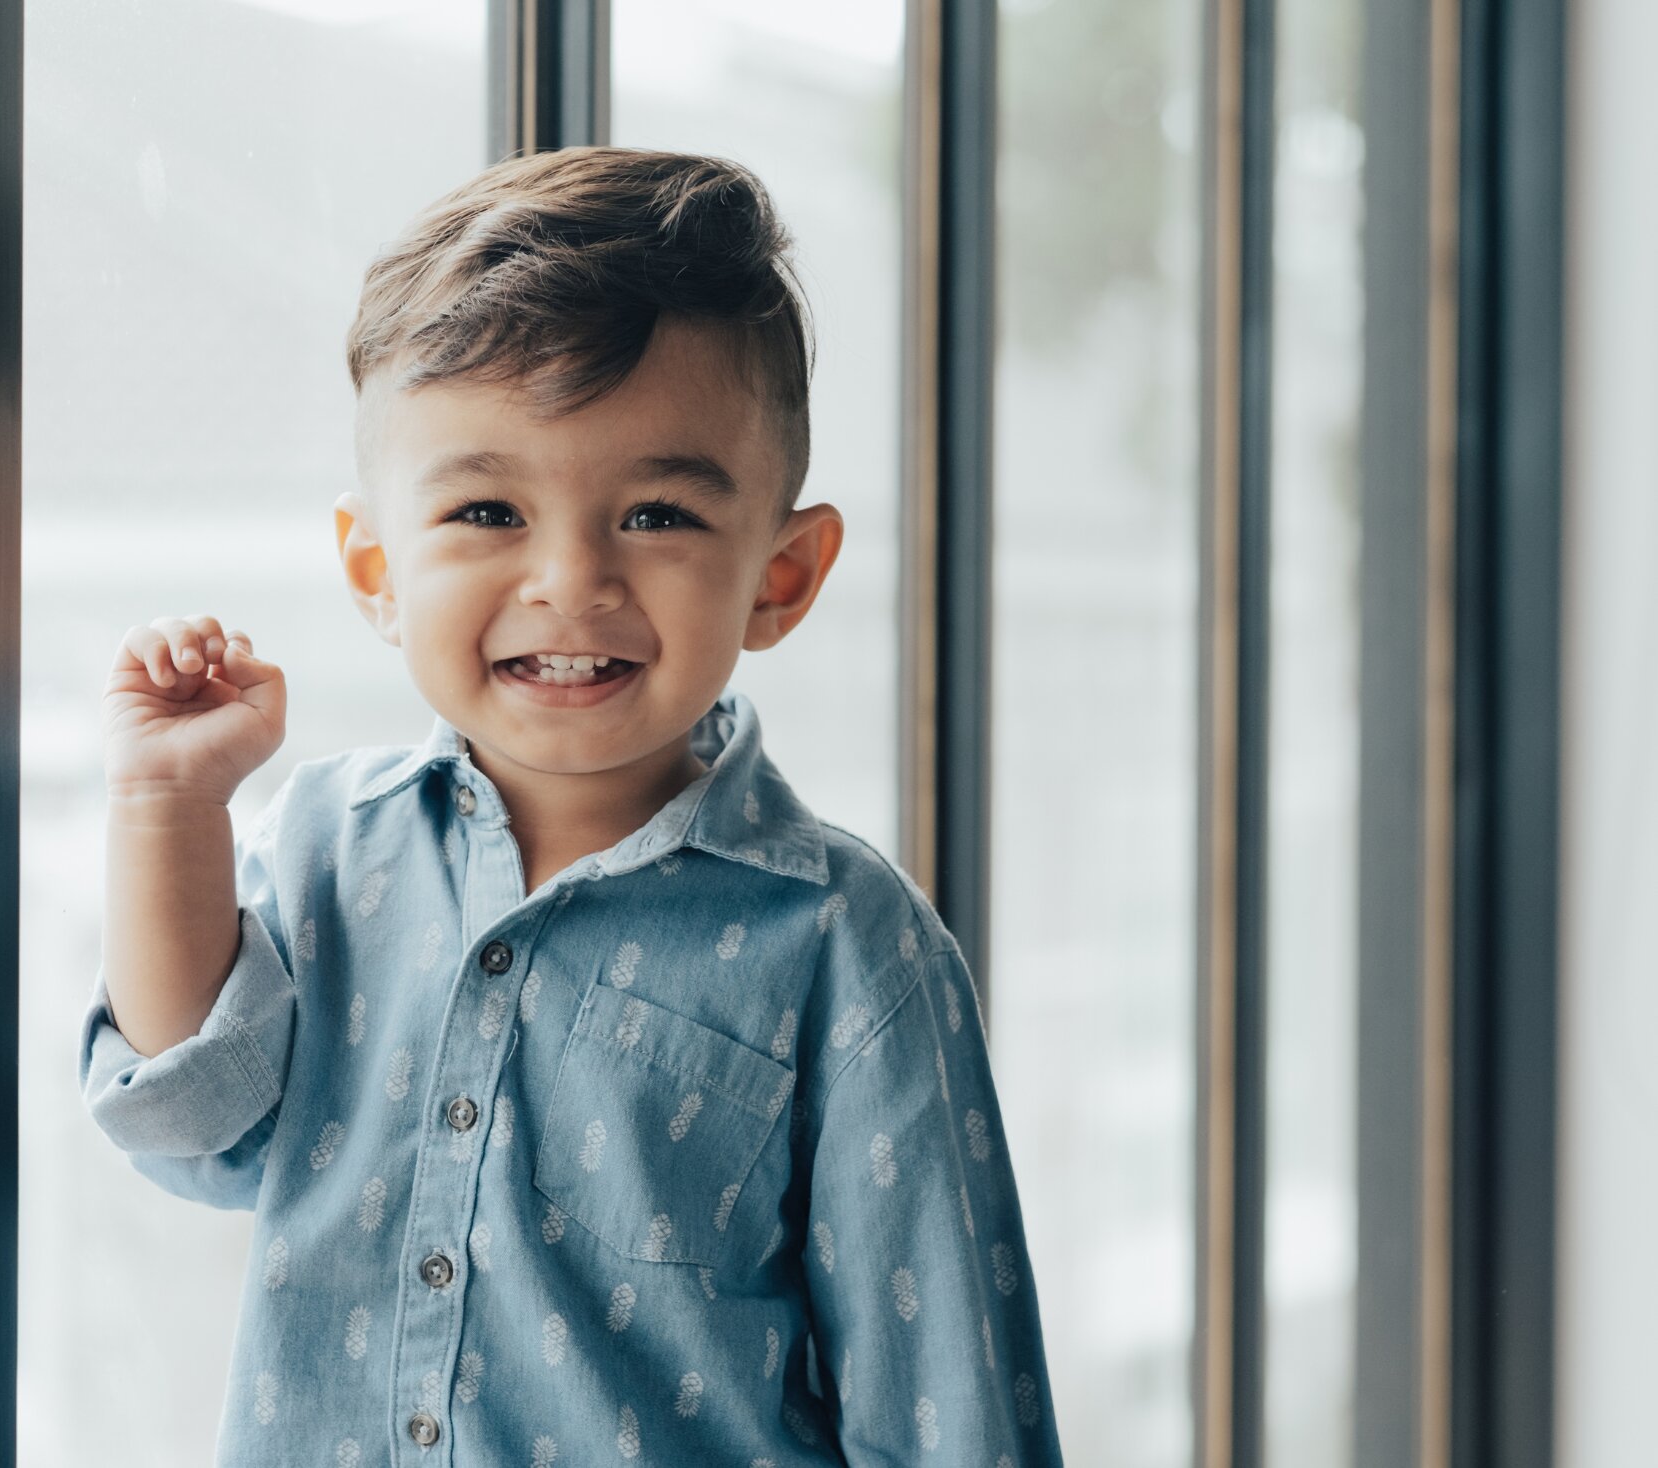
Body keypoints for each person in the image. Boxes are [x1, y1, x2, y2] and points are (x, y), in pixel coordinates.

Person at [81, 146, 1061, 1466]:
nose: (569, 579)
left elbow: (949, 1405)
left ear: (781, 576)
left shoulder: (845, 946)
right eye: (488, 509)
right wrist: (165, 807)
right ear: (378, 569)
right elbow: (195, 1134)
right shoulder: (326, 845)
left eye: (656, 514)